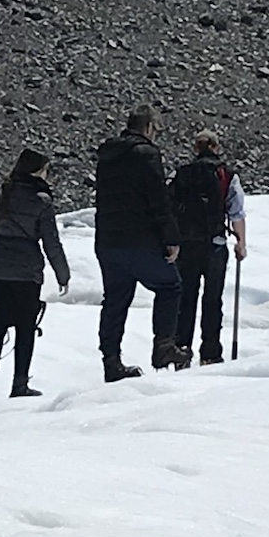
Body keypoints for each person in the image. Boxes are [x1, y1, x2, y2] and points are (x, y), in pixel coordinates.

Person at [0, 147, 71, 404]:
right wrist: (62, 274)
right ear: (38, 171)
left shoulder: (0, 194)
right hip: (25, 271)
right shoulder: (41, 200)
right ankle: (19, 384)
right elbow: (51, 243)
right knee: (25, 327)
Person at [91, 103, 183, 380]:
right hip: (139, 238)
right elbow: (158, 199)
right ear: (149, 127)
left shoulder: (106, 155)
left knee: (116, 299)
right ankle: (164, 346)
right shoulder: (146, 154)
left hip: (107, 238)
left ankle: (111, 360)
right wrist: (171, 238)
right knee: (170, 286)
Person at [167, 132, 248, 367]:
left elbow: (170, 207)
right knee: (212, 300)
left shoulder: (183, 173)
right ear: (215, 147)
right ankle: (210, 352)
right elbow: (236, 211)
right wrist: (241, 242)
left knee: (186, 298)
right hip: (215, 244)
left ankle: (182, 349)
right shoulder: (226, 175)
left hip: (187, 245)